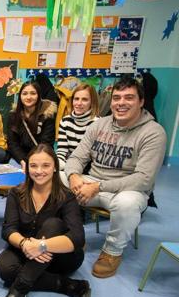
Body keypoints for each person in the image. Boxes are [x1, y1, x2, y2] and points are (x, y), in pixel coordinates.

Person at [65, 76, 166, 278]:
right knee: (50, 178)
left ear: (141, 101)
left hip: (126, 190)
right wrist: (75, 176)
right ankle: (75, 237)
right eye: (117, 97)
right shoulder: (99, 125)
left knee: (127, 204)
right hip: (91, 183)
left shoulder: (153, 133)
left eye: (129, 98)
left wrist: (98, 186)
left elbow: (143, 179)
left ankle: (112, 252)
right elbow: (77, 156)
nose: (121, 103)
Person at [0, 144, 90, 297]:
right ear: (27, 167)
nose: (39, 171)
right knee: (3, 267)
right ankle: (70, 285)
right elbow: (8, 230)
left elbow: (77, 238)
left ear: (55, 167)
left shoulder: (66, 196)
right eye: (34, 166)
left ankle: (18, 292)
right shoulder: (16, 193)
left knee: (53, 224)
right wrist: (24, 244)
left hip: (62, 257)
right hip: (28, 250)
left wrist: (42, 245)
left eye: (45, 165)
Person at [7, 81, 57, 169]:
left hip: (41, 156)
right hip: (19, 157)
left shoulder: (48, 114)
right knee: (15, 175)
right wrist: (22, 160)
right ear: (20, 96)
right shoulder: (13, 116)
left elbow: (46, 143)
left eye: (33, 93)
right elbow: (12, 143)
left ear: (39, 95)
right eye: (25, 93)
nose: (28, 97)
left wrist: (33, 161)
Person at [56, 83, 100, 170]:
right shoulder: (65, 121)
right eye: (76, 99)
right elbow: (62, 151)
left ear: (92, 102)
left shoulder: (99, 123)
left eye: (84, 99)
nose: (79, 103)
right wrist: (56, 166)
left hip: (91, 170)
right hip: (69, 167)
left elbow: (95, 157)